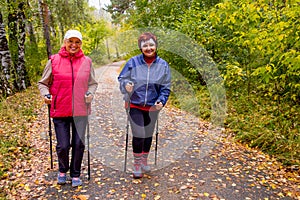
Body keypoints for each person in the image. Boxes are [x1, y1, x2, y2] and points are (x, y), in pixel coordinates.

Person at [38, 30, 98, 187]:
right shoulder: (54, 61)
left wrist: (90, 93)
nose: (74, 45)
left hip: (81, 110)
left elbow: (92, 83)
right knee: (63, 145)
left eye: (77, 42)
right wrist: (46, 95)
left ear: (81, 44)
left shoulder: (87, 62)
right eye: (70, 41)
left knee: (79, 144)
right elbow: (43, 83)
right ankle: (62, 170)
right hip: (60, 109)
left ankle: (75, 173)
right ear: (64, 42)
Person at [118, 32, 171, 178]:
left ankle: (144, 160)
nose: (148, 48)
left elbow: (165, 87)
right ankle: (136, 164)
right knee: (139, 133)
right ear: (141, 48)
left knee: (148, 134)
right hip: (134, 104)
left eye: (151, 45)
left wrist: (161, 100)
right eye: (145, 45)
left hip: (153, 106)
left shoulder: (163, 65)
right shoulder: (133, 62)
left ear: (156, 46)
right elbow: (122, 78)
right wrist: (126, 85)